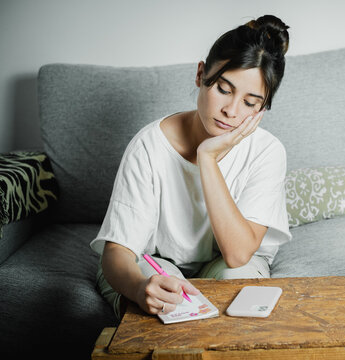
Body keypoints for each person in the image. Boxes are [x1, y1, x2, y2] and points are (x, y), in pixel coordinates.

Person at [90, 15, 292, 319]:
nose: (231, 111)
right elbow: (117, 253)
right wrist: (139, 288)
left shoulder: (267, 151)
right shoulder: (149, 145)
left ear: (262, 109)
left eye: (250, 103)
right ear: (201, 74)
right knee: (165, 304)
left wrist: (207, 159)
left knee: (239, 285)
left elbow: (237, 255)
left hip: (226, 263)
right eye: (224, 89)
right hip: (154, 262)